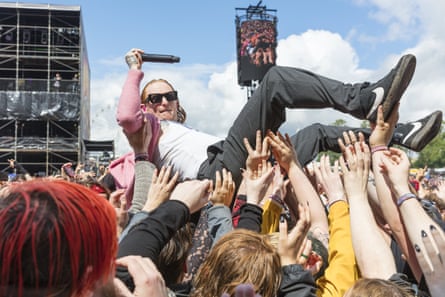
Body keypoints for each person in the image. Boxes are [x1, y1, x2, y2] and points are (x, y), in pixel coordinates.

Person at [111, 48, 417, 208]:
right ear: (145, 106)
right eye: (155, 98)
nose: (164, 101)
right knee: (275, 82)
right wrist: (135, 71)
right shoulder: (147, 131)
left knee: (316, 134)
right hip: (216, 173)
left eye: (170, 95)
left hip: (240, 166)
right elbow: (126, 116)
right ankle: (362, 99)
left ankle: (400, 134)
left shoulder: (183, 131)